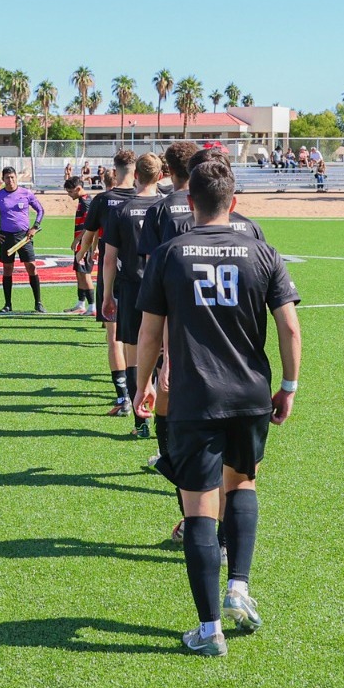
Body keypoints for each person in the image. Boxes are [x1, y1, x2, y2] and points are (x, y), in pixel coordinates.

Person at [133, 159, 302, 657]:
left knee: (199, 505)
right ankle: (239, 588)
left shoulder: (168, 254)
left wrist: (143, 386)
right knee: (242, 484)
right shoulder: (263, 252)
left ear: (190, 203)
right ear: (233, 202)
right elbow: (290, 329)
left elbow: (148, 332)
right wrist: (288, 386)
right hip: (250, 395)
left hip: (193, 397)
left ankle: (209, 630)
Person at [100, 153, 167, 438]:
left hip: (130, 287)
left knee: (132, 353)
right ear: (160, 176)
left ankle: (140, 425)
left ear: (135, 176)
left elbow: (108, 258)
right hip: (161, 289)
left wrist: (106, 295)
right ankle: (164, 422)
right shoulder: (167, 207)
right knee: (163, 353)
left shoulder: (122, 210)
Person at [78, 149, 139, 415]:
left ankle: (123, 397)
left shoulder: (104, 200)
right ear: (135, 172)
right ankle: (150, 391)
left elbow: (88, 237)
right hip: (143, 274)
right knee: (146, 334)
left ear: (114, 171)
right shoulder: (149, 198)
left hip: (112, 272)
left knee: (113, 335)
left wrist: (82, 254)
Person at [0, 167, 47, 314]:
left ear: (16, 177)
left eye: (12, 177)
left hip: (25, 237)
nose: (10, 180)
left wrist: (35, 227)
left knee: (31, 267)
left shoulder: (26, 193)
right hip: (5, 237)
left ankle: (38, 303)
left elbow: (40, 210)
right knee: (7, 269)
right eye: (7, 178)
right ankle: (7, 304)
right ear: (3, 179)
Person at [64, 176, 94, 314]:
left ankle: (92, 306)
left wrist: (78, 240)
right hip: (81, 244)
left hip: (85, 243)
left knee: (85, 273)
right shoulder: (83, 201)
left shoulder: (87, 202)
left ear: (78, 188)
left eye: (70, 192)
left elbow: (90, 225)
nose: (69, 195)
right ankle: (81, 303)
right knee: (79, 273)